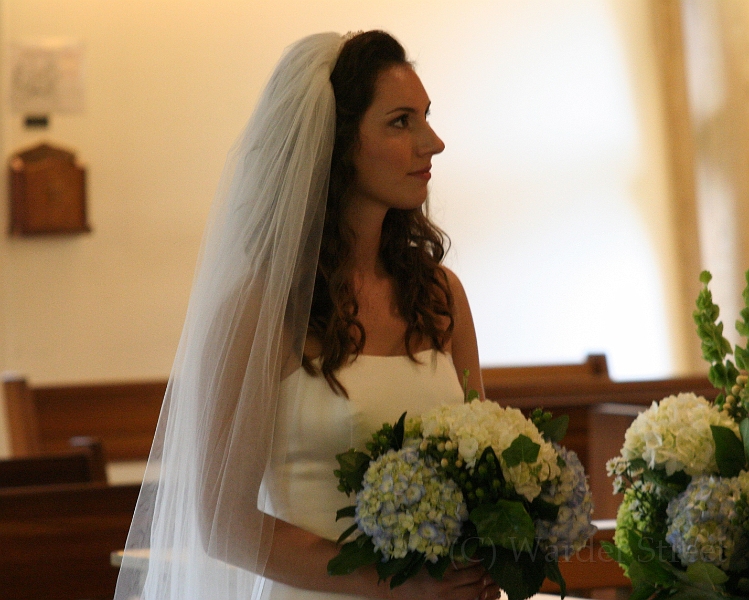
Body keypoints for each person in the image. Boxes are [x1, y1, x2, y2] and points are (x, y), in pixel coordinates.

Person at [114, 31, 499, 600]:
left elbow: (483, 467)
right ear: (337, 143)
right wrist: (397, 586)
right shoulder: (262, 308)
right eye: (401, 122)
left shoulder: (442, 296)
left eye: (426, 117)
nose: (433, 143)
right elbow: (223, 523)